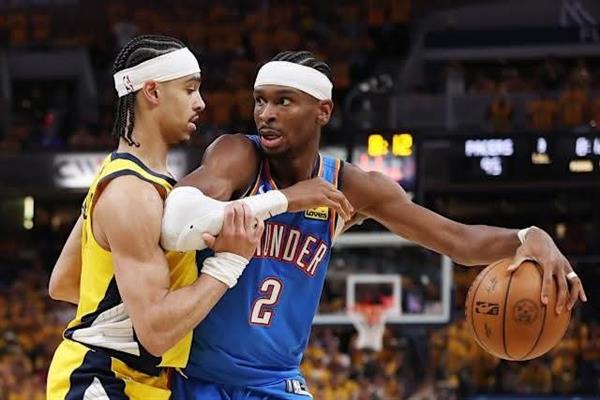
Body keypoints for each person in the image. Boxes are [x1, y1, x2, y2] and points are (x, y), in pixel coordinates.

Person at [161, 50, 588, 399]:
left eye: (283, 101)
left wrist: (528, 236)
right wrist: (287, 200)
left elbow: (457, 240)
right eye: (260, 100)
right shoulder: (238, 155)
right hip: (196, 376)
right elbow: (174, 217)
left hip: (276, 381)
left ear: (323, 110)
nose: (265, 114)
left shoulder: (351, 186)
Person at [46, 36, 351, 399]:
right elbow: (156, 333)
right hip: (102, 379)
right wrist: (229, 262)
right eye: (190, 89)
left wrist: (128, 302)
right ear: (152, 92)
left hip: (137, 380)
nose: (201, 103)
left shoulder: (126, 178)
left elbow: (65, 283)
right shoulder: (132, 193)